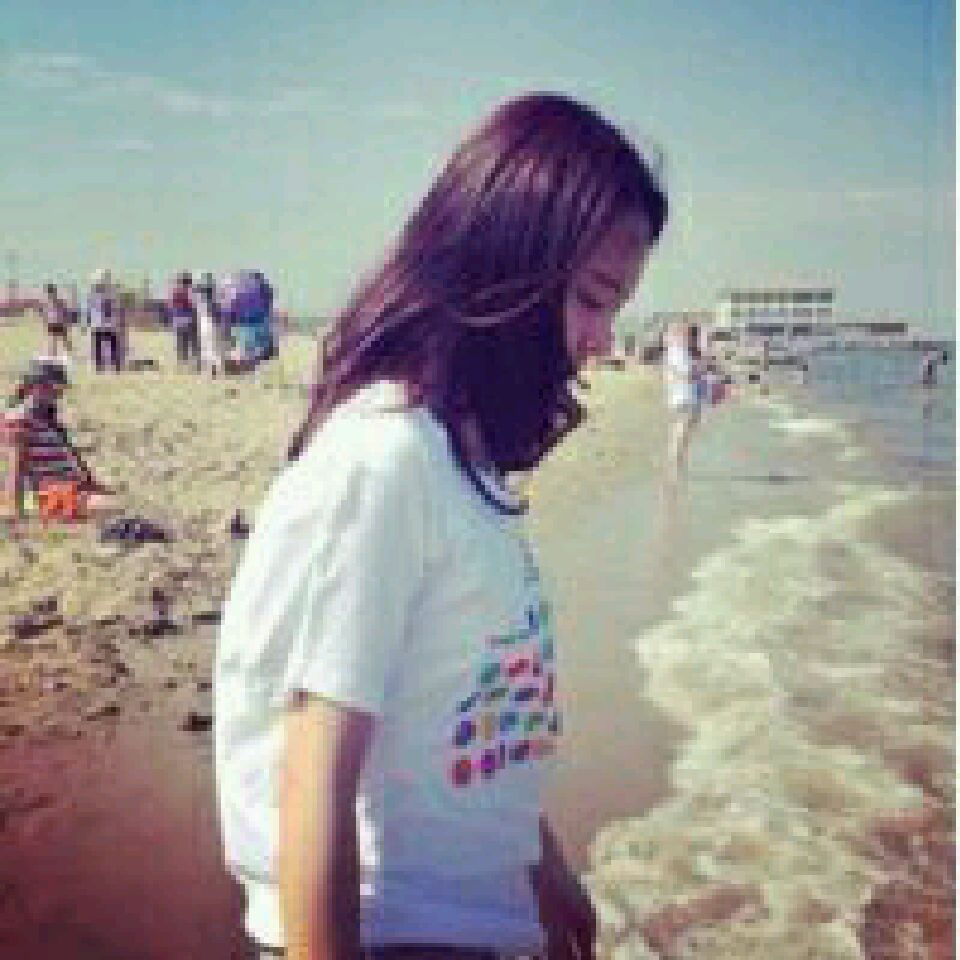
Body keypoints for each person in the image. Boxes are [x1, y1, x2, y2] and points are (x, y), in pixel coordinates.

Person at [214, 92, 667, 960]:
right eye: (592, 299)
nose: (604, 340)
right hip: (393, 926)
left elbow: (456, 715)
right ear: (506, 265)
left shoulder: (464, 465)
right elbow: (313, 779)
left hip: (470, 915)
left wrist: (543, 869)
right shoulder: (386, 461)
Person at [1, 361, 114, 519]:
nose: (56, 396)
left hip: (67, 489)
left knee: (112, 503)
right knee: (108, 507)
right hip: (48, 493)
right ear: (33, 387)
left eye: (58, 391)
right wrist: (14, 509)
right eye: (51, 389)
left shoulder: (47, 419)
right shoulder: (19, 419)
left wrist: (91, 484)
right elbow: (16, 466)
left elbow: (72, 457)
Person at [663, 321, 702, 484]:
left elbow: (673, 372)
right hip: (685, 396)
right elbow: (686, 374)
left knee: (681, 433)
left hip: (681, 395)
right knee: (681, 434)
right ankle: (675, 469)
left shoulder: (675, 351)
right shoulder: (679, 352)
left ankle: (676, 467)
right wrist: (693, 375)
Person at [86, 268, 122, 373]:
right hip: (105, 324)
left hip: (100, 324)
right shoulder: (109, 295)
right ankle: (111, 366)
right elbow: (112, 309)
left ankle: (102, 366)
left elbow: (91, 311)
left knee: (101, 346)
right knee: (109, 345)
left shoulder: (93, 296)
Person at [195, 272, 228, 376]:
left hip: (204, 321)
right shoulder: (215, 300)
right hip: (212, 321)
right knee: (214, 345)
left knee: (206, 345)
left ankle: (210, 367)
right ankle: (216, 367)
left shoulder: (201, 300)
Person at [169, 271, 199, 369]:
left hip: (178, 320)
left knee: (181, 342)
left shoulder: (175, 291)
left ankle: (182, 361)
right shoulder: (190, 291)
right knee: (192, 342)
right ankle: (193, 361)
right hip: (188, 319)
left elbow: (171, 305)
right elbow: (193, 305)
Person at [39, 283, 73, 359]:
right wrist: (45, 322)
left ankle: (68, 353)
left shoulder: (58, 302)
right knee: (54, 341)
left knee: (62, 340)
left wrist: (65, 321)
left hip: (58, 322)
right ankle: (54, 355)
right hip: (53, 323)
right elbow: (45, 314)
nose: (50, 295)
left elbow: (64, 311)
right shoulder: (49, 303)